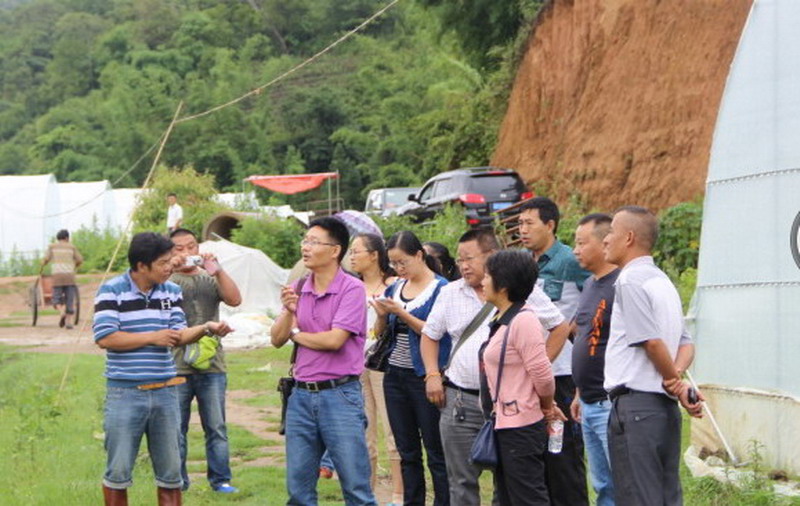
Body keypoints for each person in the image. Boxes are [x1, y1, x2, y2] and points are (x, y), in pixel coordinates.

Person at [421, 229, 571, 506]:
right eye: (459, 259)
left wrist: (534, 376)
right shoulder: (454, 293)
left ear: (492, 259)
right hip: (463, 402)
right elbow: (430, 335)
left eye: (470, 258)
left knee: (515, 485)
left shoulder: (522, 307)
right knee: (465, 479)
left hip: (512, 409)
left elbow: (557, 335)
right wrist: (432, 374)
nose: (463, 265)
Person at [93, 232, 232, 506]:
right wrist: (151, 337)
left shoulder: (171, 291)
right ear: (142, 266)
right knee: (118, 471)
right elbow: (105, 337)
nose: (170, 266)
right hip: (126, 392)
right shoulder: (112, 290)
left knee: (171, 474)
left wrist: (206, 328)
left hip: (166, 392)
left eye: (170, 261)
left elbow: (178, 334)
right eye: (163, 262)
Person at [270, 217, 376, 506]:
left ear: (334, 251)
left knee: (356, 488)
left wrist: (296, 333)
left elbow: (334, 341)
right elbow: (276, 339)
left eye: (314, 242)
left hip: (340, 395)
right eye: (305, 240)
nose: (305, 247)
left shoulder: (352, 289)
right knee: (299, 491)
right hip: (301, 397)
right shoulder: (299, 285)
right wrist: (290, 313)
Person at [602, 206, 703, 506]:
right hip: (663, 409)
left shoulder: (630, 281)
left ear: (629, 237)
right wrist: (678, 381)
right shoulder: (663, 282)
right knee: (666, 495)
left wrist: (673, 379)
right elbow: (686, 344)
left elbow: (652, 343)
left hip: (636, 408)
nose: (606, 239)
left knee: (638, 497)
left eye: (611, 233)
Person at [518, 196, 590, 506]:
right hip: (529, 372)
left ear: (551, 225)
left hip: (561, 372)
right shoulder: (521, 261)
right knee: (535, 454)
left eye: (529, 223)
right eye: (520, 224)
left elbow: (598, 297)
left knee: (565, 454)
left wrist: (573, 326)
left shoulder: (569, 261)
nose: (523, 229)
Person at [481, 249, 566, 506]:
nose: (482, 281)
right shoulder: (504, 318)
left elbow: (542, 374)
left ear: (503, 285)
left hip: (521, 424)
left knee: (527, 497)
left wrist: (547, 405)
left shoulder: (523, 320)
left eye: (487, 276)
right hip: (505, 421)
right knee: (506, 497)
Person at [374, 230, 451, 506]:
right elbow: (379, 333)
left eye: (402, 262)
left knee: (436, 451)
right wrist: (382, 314)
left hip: (426, 378)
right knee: (406, 451)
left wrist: (402, 313)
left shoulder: (442, 288)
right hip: (395, 376)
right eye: (394, 264)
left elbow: (436, 332)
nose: (398, 268)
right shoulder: (395, 288)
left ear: (420, 255)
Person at [168, 228, 242, 494]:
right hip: (175, 363)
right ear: (169, 252)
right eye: (179, 248)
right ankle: (178, 482)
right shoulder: (165, 280)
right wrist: (168, 269)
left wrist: (218, 270)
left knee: (216, 426)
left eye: (192, 246)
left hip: (213, 364)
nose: (187, 253)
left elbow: (235, 299)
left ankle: (221, 480)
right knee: (176, 428)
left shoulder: (210, 277)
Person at [348, 233, 404, 505]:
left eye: (356, 251)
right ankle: (366, 495)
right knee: (363, 433)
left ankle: (399, 495)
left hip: (385, 364)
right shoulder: (350, 287)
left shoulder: (393, 285)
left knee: (393, 431)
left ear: (374, 254)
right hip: (356, 366)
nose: (351, 256)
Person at [569, 213, 619, 506]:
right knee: (602, 484)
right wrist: (578, 392)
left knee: (621, 480)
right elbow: (587, 339)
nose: (575, 250)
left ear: (605, 243)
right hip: (587, 402)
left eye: (581, 243)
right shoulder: (590, 284)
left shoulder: (621, 285)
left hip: (610, 402)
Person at [41, 229, 83, 329]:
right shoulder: (72, 247)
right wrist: (75, 265)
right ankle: (69, 322)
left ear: (58, 238)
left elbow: (46, 259)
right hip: (69, 276)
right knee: (70, 299)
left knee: (56, 298)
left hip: (57, 276)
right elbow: (80, 259)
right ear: (67, 238)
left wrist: (43, 264)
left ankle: (61, 311)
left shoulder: (52, 247)